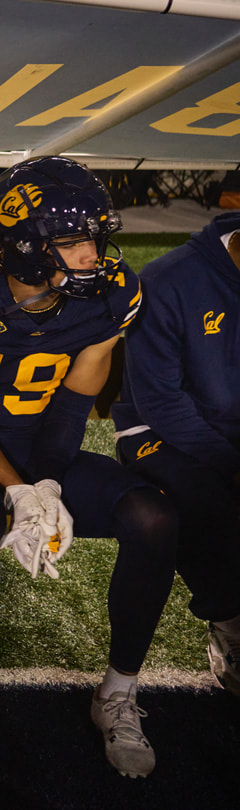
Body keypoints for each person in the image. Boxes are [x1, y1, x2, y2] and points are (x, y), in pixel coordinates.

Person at [0, 156, 177, 779]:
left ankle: (119, 691)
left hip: (46, 449)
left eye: (94, 238)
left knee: (153, 518)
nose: (91, 255)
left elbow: (72, 407)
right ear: (24, 247)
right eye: (71, 241)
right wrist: (17, 489)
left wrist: (45, 482)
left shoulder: (113, 294)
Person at [110, 210, 240, 702]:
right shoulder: (170, 279)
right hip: (158, 432)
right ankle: (231, 620)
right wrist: (232, 467)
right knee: (204, 496)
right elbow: (160, 402)